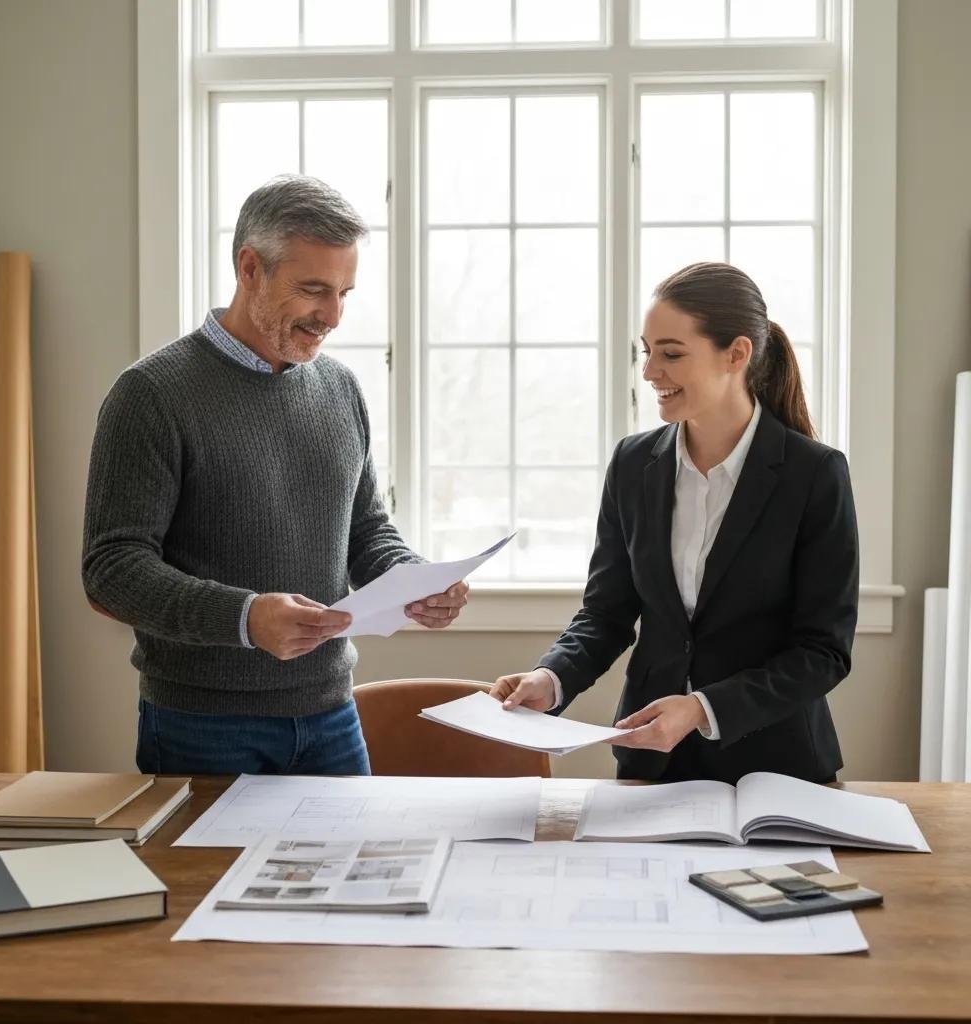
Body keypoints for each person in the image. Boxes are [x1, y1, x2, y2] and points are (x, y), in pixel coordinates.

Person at [83, 174, 468, 777]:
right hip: (203, 726)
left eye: (345, 292)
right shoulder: (151, 395)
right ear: (249, 269)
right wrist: (244, 618)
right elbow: (111, 572)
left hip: (332, 715)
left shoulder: (340, 389)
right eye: (314, 290)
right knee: (206, 878)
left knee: (357, 874)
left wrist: (411, 579)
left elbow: (365, 528)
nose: (333, 315)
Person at [490, 261, 858, 784]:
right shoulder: (633, 465)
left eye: (671, 353)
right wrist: (551, 679)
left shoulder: (815, 474)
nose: (649, 371)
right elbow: (606, 612)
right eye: (647, 351)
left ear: (736, 354)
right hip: (651, 766)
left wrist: (704, 709)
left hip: (778, 769)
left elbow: (823, 651)